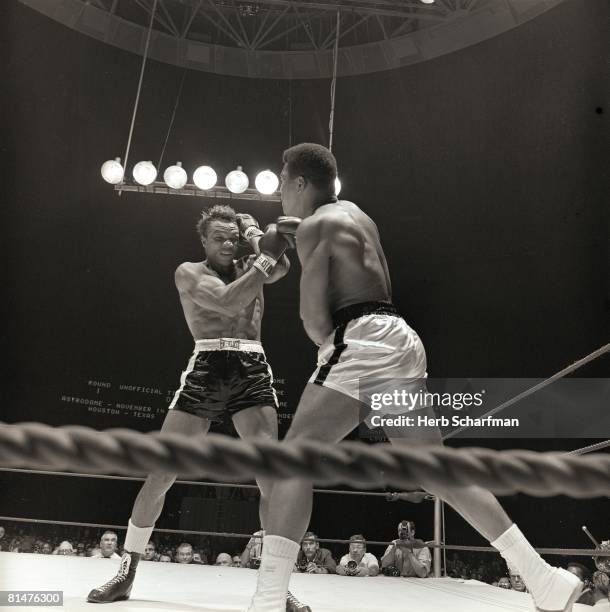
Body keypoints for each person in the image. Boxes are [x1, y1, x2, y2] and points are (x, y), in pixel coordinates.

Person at [248, 142, 582, 612]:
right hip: (399, 337)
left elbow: (312, 318)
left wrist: (333, 357)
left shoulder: (316, 227)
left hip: (359, 340)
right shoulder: (355, 216)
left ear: (299, 183)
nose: (280, 192)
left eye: (283, 182)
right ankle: (542, 577)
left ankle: (265, 601)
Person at [87, 204, 296, 603]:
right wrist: (264, 252)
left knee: (272, 477)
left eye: (232, 237)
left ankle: (277, 588)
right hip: (207, 365)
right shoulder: (189, 272)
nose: (226, 244)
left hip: (251, 365)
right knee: (162, 472)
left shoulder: (252, 263)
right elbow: (229, 303)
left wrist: (257, 237)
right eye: (218, 237)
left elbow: (282, 264)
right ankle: (127, 570)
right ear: (203, 240)